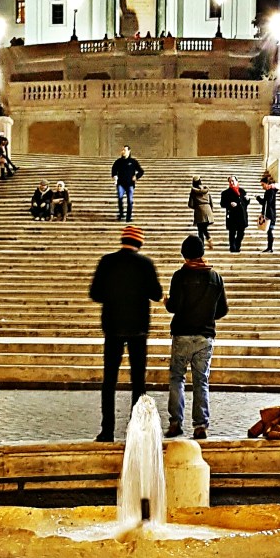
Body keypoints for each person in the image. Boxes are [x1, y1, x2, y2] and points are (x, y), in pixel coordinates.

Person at [89, 224, 163, 442]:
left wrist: (113, 296)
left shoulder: (107, 261)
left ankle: (107, 430)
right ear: (139, 243)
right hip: (138, 329)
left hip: (112, 327)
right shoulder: (145, 264)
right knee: (138, 382)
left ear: (122, 240)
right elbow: (157, 294)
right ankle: (137, 431)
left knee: (109, 380)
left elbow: (95, 293)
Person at [164, 234, 229, 441]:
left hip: (182, 334)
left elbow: (174, 306)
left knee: (177, 378)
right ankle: (200, 425)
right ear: (202, 253)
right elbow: (222, 310)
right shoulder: (215, 277)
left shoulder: (180, 276)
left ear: (185, 255)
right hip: (205, 335)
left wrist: (167, 302)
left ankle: (175, 423)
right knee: (201, 381)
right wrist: (208, 314)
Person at [111, 145, 144, 223]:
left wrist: (136, 176)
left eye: (125, 150)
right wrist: (115, 177)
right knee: (120, 197)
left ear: (129, 151)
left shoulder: (133, 162)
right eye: (122, 150)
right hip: (121, 184)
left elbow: (141, 171)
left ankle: (128, 217)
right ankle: (121, 214)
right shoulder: (118, 161)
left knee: (130, 200)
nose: (123, 151)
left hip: (130, 184)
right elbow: (113, 170)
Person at [220, 175, 249, 253]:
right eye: (230, 181)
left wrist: (247, 199)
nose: (231, 183)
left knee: (241, 233)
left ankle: (237, 245)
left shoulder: (242, 191)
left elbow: (246, 203)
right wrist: (229, 204)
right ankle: (233, 248)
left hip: (242, 215)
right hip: (232, 216)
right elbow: (222, 204)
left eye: (233, 181)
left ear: (237, 181)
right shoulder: (225, 193)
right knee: (232, 233)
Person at [188, 176, 215, 250]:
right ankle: (208, 239)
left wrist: (197, 207)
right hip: (208, 210)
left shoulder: (193, 192)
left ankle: (202, 245)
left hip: (199, 211)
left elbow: (190, 204)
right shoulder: (206, 190)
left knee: (200, 230)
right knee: (204, 228)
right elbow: (211, 202)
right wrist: (210, 210)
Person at [256, 172, 278, 254]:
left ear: (267, 183)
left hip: (270, 215)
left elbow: (266, 202)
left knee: (270, 231)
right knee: (269, 231)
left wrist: (258, 199)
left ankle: (270, 247)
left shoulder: (270, 191)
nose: (262, 187)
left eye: (263, 185)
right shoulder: (270, 191)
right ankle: (269, 247)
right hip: (270, 214)